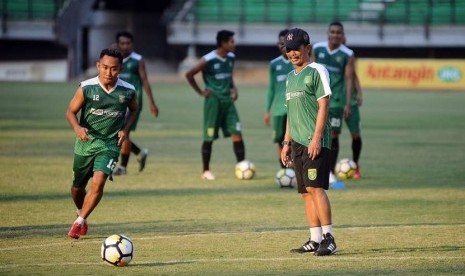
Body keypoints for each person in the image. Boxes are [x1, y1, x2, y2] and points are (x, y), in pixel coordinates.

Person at [65, 48, 138, 239]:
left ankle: (79, 222)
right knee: (77, 188)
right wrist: (78, 129)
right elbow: (70, 112)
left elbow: (134, 110)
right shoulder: (86, 87)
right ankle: (81, 211)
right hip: (86, 143)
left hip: (110, 144)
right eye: (104, 67)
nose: (108, 72)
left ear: (120, 69)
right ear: (98, 65)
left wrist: (125, 129)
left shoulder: (128, 91)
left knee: (99, 182)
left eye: (114, 69)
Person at [280, 28, 337, 256]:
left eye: (297, 49)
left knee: (316, 188)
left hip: (316, 141)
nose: (293, 53)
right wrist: (286, 142)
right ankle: (314, 239)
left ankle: (329, 238)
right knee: (305, 191)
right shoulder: (289, 78)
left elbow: (324, 105)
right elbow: (290, 114)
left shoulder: (317, 70)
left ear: (308, 48)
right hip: (297, 144)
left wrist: (315, 138)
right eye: (289, 49)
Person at [185, 30, 246, 180]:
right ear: (223, 43)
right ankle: (205, 171)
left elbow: (229, 76)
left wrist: (234, 88)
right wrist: (200, 92)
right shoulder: (208, 59)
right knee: (209, 136)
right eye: (231, 41)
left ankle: (241, 167)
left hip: (228, 102)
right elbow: (189, 74)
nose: (234, 44)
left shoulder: (231, 57)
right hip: (213, 102)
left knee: (237, 133)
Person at [311, 22, 355, 183]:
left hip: (335, 101)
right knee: (314, 133)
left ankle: (329, 172)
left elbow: (349, 79)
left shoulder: (348, 54)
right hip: (317, 98)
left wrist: (348, 103)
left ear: (342, 35)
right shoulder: (317, 48)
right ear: (328, 33)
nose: (336, 35)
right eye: (333, 32)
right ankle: (313, 167)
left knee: (333, 135)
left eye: (339, 33)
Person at [112, 31, 159, 176]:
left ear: (132, 44)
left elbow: (145, 80)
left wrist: (152, 103)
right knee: (117, 134)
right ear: (118, 44)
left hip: (133, 102)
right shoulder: (113, 59)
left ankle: (123, 168)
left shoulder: (138, 60)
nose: (126, 46)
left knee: (124, 132)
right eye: (122, 43)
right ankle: (139, 152)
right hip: (116, 101)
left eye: (128, 43)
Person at [264, 29, 295, 169]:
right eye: (281, 43)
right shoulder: (274, 64)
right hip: (277, 109)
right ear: (278, 44)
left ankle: (295, 169)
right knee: (279, 141)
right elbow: (271, 88)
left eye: (286, 43)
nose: (284, 46)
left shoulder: (297, 62)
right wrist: (267, 110)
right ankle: (284, 171)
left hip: (294, 108)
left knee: (294, 141)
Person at [342, 35, 363, 178]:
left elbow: (353, 75)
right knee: (331, 136)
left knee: (355, 134)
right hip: (334, 99)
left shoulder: (348, 56)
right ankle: (328, 168)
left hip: (350, 101)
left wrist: (359, 92)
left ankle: (355, 164)